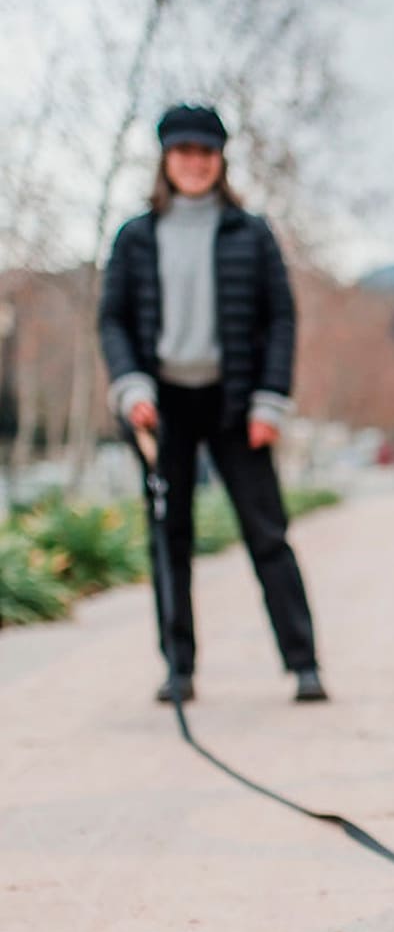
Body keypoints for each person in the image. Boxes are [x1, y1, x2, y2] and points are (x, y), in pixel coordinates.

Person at [98, 103, 328, 704]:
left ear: (219, 159)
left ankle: (304, 664)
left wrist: (270, 401)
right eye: (183, 152)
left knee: (267, 533)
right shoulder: (135, 236)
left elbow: (280, 318)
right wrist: (132, 387)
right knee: (168, 537)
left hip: (237, 405)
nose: (194, 163)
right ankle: (179, 668)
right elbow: (113, 321)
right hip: (163, 406)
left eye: (205, 152)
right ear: (166, 159)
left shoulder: (250, 233)